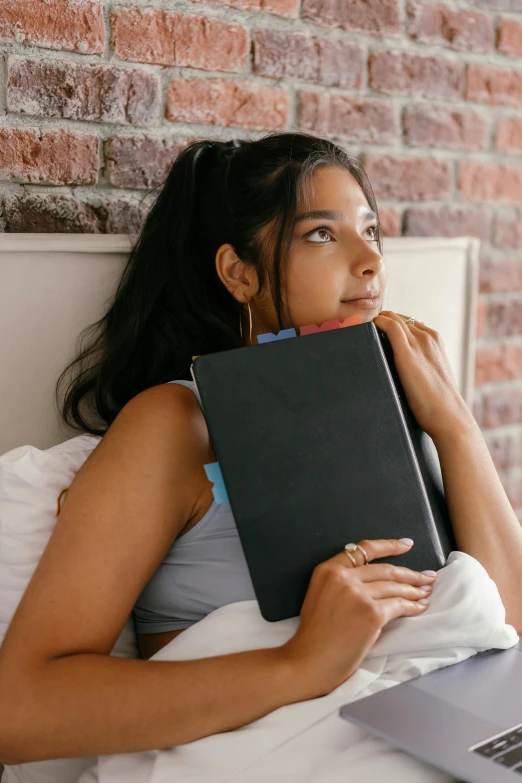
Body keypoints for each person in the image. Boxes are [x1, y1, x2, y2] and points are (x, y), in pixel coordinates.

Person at [0, 131, 521, 767]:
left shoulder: (402, 404)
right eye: (323, 234)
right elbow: (21, 710)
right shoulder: (178, 423)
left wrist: (455, 425)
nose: (370, 262)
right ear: (239, 273)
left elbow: (509, 628)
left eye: (371, 230)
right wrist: (302, 662)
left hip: (446, 721)